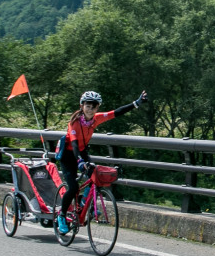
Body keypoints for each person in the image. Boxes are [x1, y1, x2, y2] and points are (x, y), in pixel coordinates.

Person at [54, 89, 148, 234]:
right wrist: (79, 161)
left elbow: (116, 113)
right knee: (72, 187)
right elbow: (73, 144)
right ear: (82, 105)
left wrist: (136, 103)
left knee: (95, 175)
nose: (91, 109)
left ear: (97, 107)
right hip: (69, 154)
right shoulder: (74, 123)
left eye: (94, 106)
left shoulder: (96, 118)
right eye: (88, 105)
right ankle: (61, 216)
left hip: (82, 150)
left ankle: (84, 202)